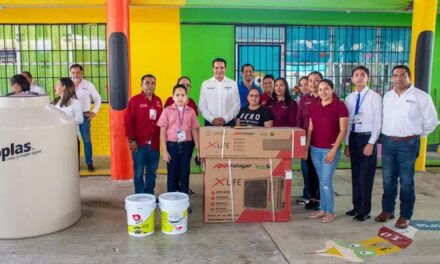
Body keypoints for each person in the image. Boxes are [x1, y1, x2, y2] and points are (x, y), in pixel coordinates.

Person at [375, 65, 438, 229]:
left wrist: (416, 135)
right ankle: (387, 210)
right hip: (388, 143)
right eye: (395, 75)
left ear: (409, 77)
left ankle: (405, 215)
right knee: (388, 179)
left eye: (402, 75)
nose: (398, 78)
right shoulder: (388, 96)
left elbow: (431, 122)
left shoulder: (421, 96)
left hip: (408, 144)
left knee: (406, 181)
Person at [306, 79, 348, 223]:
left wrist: (333, 149)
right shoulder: (314, 106)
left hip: (330, 150)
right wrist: (307, 148)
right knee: (321, 180)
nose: (323, 92)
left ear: (332, 89)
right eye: (320, 89)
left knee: (325, 181)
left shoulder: (340, 106)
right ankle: (322, 209)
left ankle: (330, 211)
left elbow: (343, 130)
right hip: (315, 149)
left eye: (326, 89)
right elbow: (311, 129)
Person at [344, 66, 382, 222]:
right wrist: (346, 144)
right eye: (356, 75)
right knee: (356, 174)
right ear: (352, 79)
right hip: (353, 138)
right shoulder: (349, 98)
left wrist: (371, 143)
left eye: (362, 75)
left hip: (367, 139)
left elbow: (378, 122)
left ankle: (365, 210)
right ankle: (357, 206)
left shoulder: (374, 97)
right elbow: (346, 123)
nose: (359, 77)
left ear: (368, 78)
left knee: (366, 176)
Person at [158, 84, 200, 197]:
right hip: (172, 146)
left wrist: (198, 149)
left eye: (183, 95)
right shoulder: (167, 111)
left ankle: (184, 202)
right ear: (172, 97)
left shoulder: (191, 111)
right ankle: (172, 201)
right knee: (172, 174)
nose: (180, 97)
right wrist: (165, 151)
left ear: (187, 97)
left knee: (185, 174)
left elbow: (194, 131)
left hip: (186, 146)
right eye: (177, 95)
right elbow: (162, 132)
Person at [124, 74, 163, 194]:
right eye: (147, 83)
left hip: (155, 145)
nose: (150, 86)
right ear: (141, 85)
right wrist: (131, 140)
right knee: (139, 172)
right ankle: (140, 197)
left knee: (152, 172)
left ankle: (149, 195)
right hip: (139, 144)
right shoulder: (134, 101)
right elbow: (128, 121)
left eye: (153, 83)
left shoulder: (158, 101)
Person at [296, 71, 322, 209]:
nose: (312, 83)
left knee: (321, 172)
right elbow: (299, 121)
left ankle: (320, 199)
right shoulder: (305, 99)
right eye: (310, 80)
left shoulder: (327, 98)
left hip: (322, 142)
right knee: (309, 171)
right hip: (307, 141)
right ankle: (312, 198)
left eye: (316, 80)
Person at [70, 64, 101, 172]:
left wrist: (94, 112)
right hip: (71, 117)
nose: (76, 75)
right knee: (72, 141)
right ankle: (74, 164)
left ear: (82, 73)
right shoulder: (68, 84)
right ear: (70, 73)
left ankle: (89, 163)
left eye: (78, 72)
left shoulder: (88, 85)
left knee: (86, 140)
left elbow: (97, 98)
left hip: (84, 116)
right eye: (73, 73)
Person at [199, 58, 240, 127]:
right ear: (213, 69)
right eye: (216, 68)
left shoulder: (233, 84)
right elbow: (202, 105)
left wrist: (225, 119)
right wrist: (212, 119)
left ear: (225, 68)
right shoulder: (205, 84)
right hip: (210, 123)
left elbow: (237, 105)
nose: (219, 70)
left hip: (229, 123)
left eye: (222, 67)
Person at [53, 77, 84, 167]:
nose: (55, 87)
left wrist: (64, 120)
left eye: (57, 84)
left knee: (71, 166)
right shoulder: (55, 102)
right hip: (57, 137)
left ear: (64, 87)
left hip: (71, 137)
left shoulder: (75, 102)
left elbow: (80, 119)